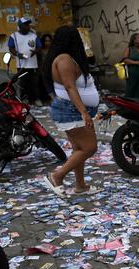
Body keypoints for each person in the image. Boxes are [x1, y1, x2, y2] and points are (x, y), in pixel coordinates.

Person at [41, 25, 99, 196]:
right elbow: (69, 86)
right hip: (72, 111)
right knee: (89, 148)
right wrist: (84, 111)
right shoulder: (64, 59)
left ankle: (80, 186)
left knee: (79, 149)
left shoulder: (68, 58)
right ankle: (57, 176)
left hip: (72, 109)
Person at [8, 18, 43, 106]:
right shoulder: (14, 36)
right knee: (22, 83)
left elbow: (39, 46)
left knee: (34, 83)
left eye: (28, 24)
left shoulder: (33, 35)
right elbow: (11, 48)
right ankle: (24, 99)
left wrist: (35, 51)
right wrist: (17, 54)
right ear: (20, 26)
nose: (28, 26)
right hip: (21, 65)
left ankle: (37, 99)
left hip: (33, 64)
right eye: (25, 24)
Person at [37, 33, 54, 103]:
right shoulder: (40, 51)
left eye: (49, 41)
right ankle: (52, 98)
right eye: (46, 41)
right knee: (46, 84)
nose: (48, 43)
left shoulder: (53, 50)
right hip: (43, 70)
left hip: (53, 70)